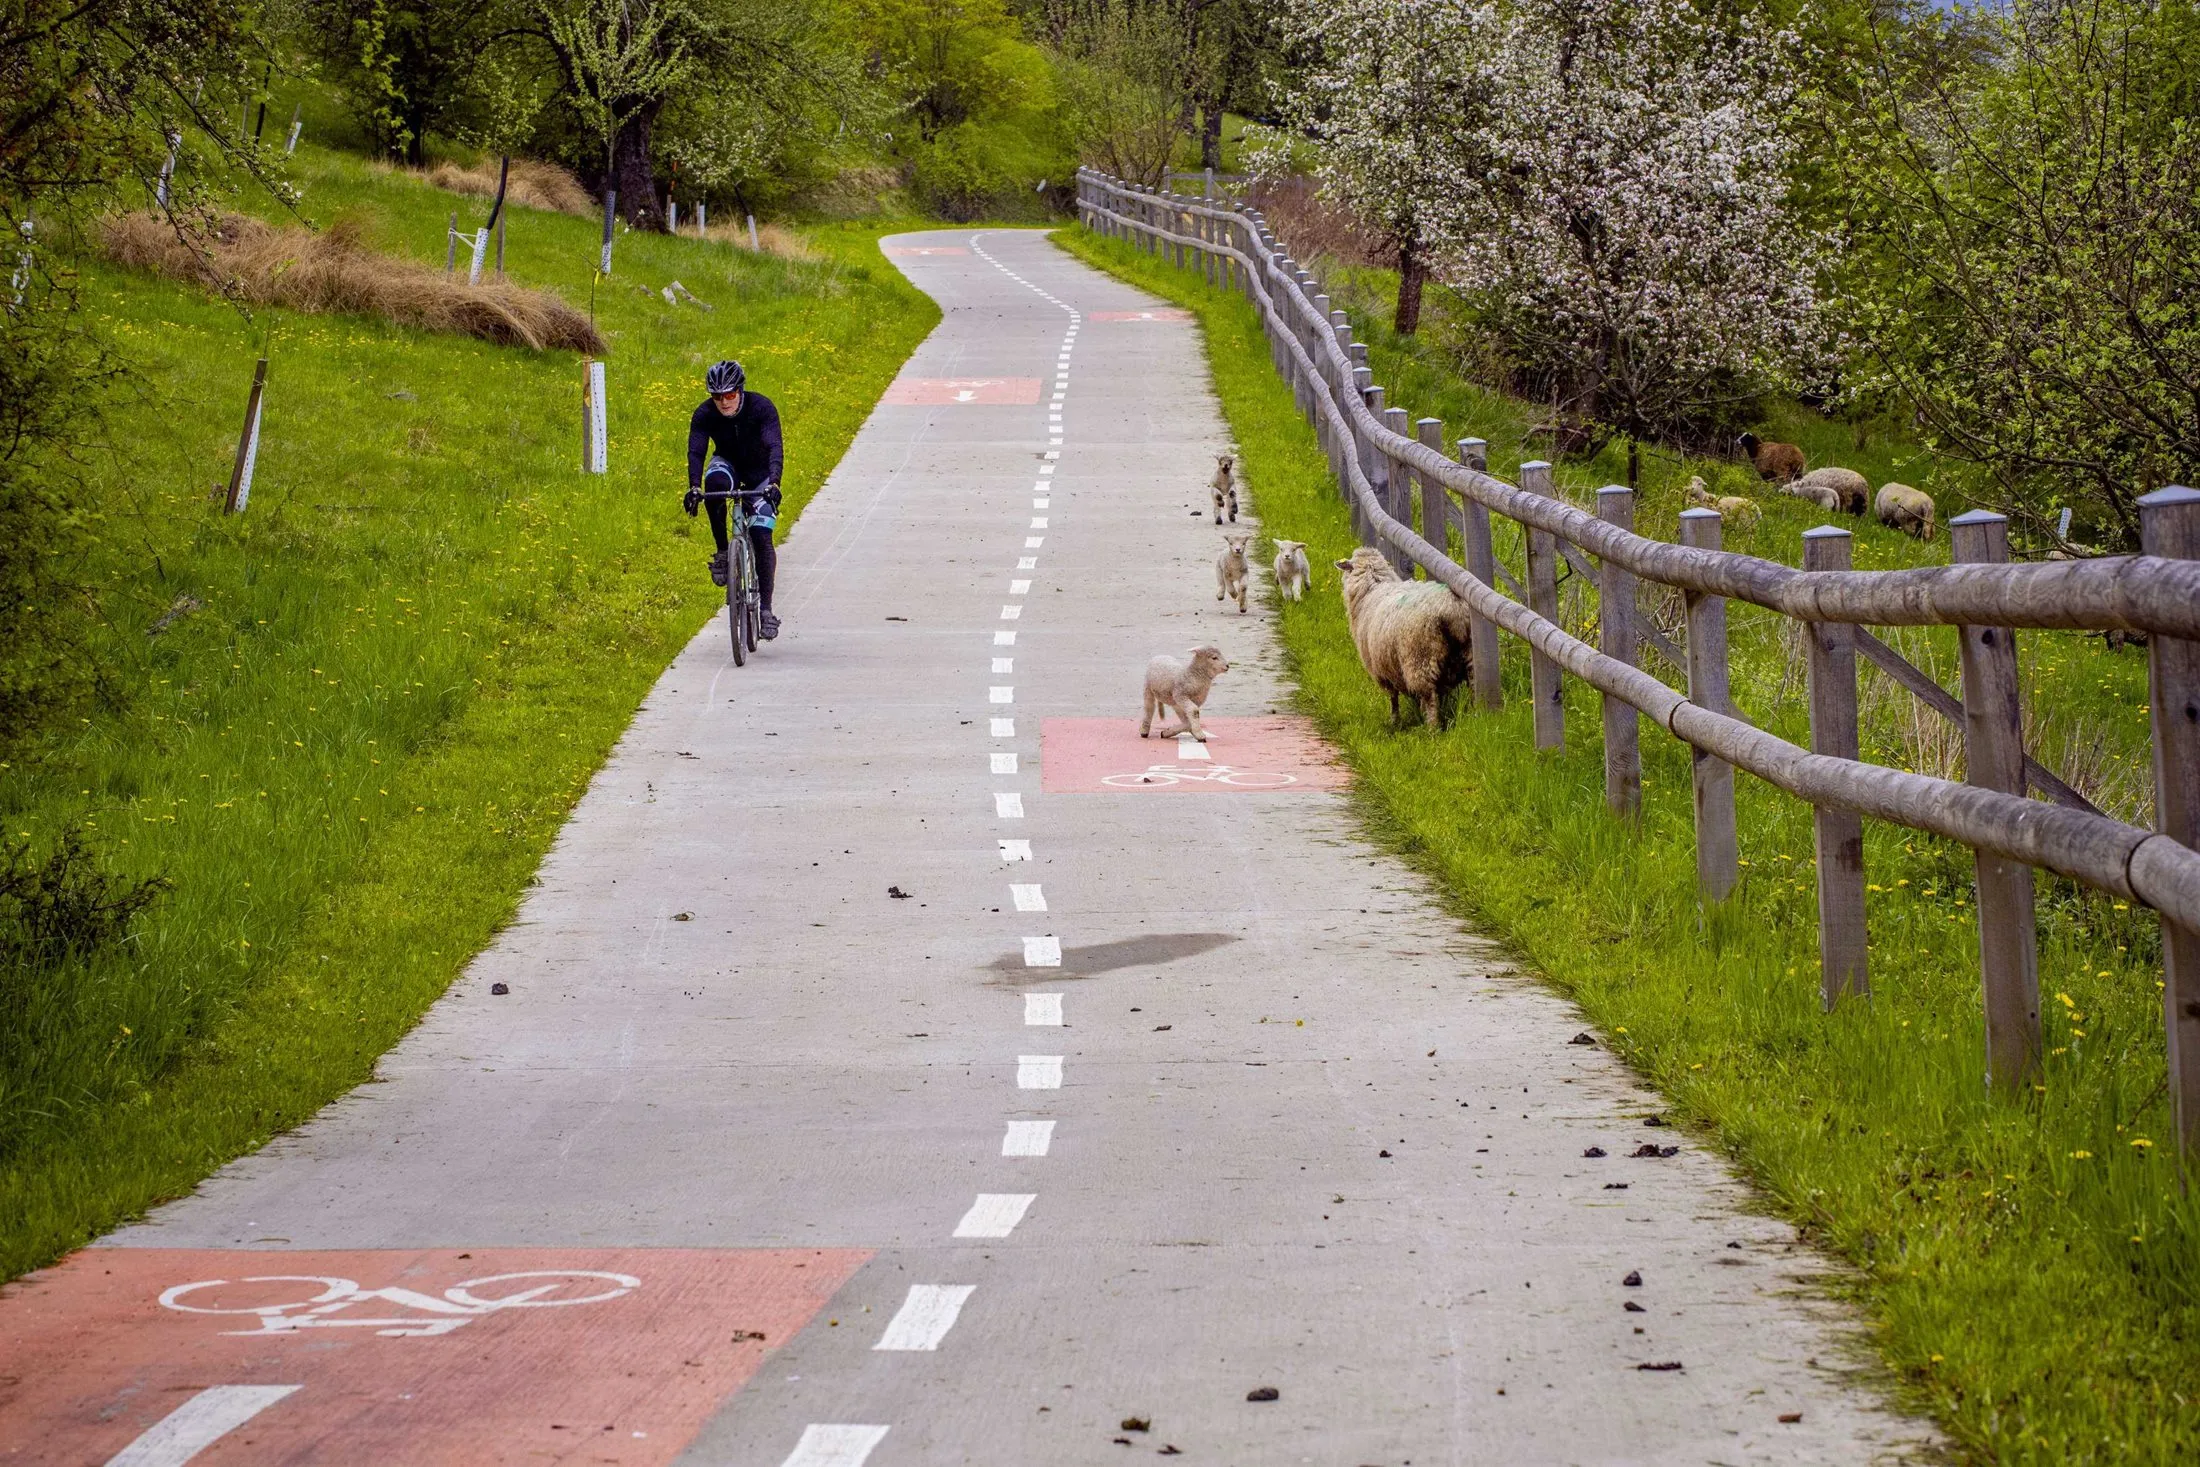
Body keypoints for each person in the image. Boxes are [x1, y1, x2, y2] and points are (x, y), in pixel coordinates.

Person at [684, 359, 784, 639]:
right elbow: (696, 452)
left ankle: (766, 611)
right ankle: (723, 553)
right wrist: (693, 488)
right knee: (712, 485)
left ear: (740, 391)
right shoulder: (704, 414)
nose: (724, 402)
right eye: (717, 396)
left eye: (729, 395)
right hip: (727, 462)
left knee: (762, 535)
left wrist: (774, 482)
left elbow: (775, 446)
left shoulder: (762, 408)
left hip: (760, 472)